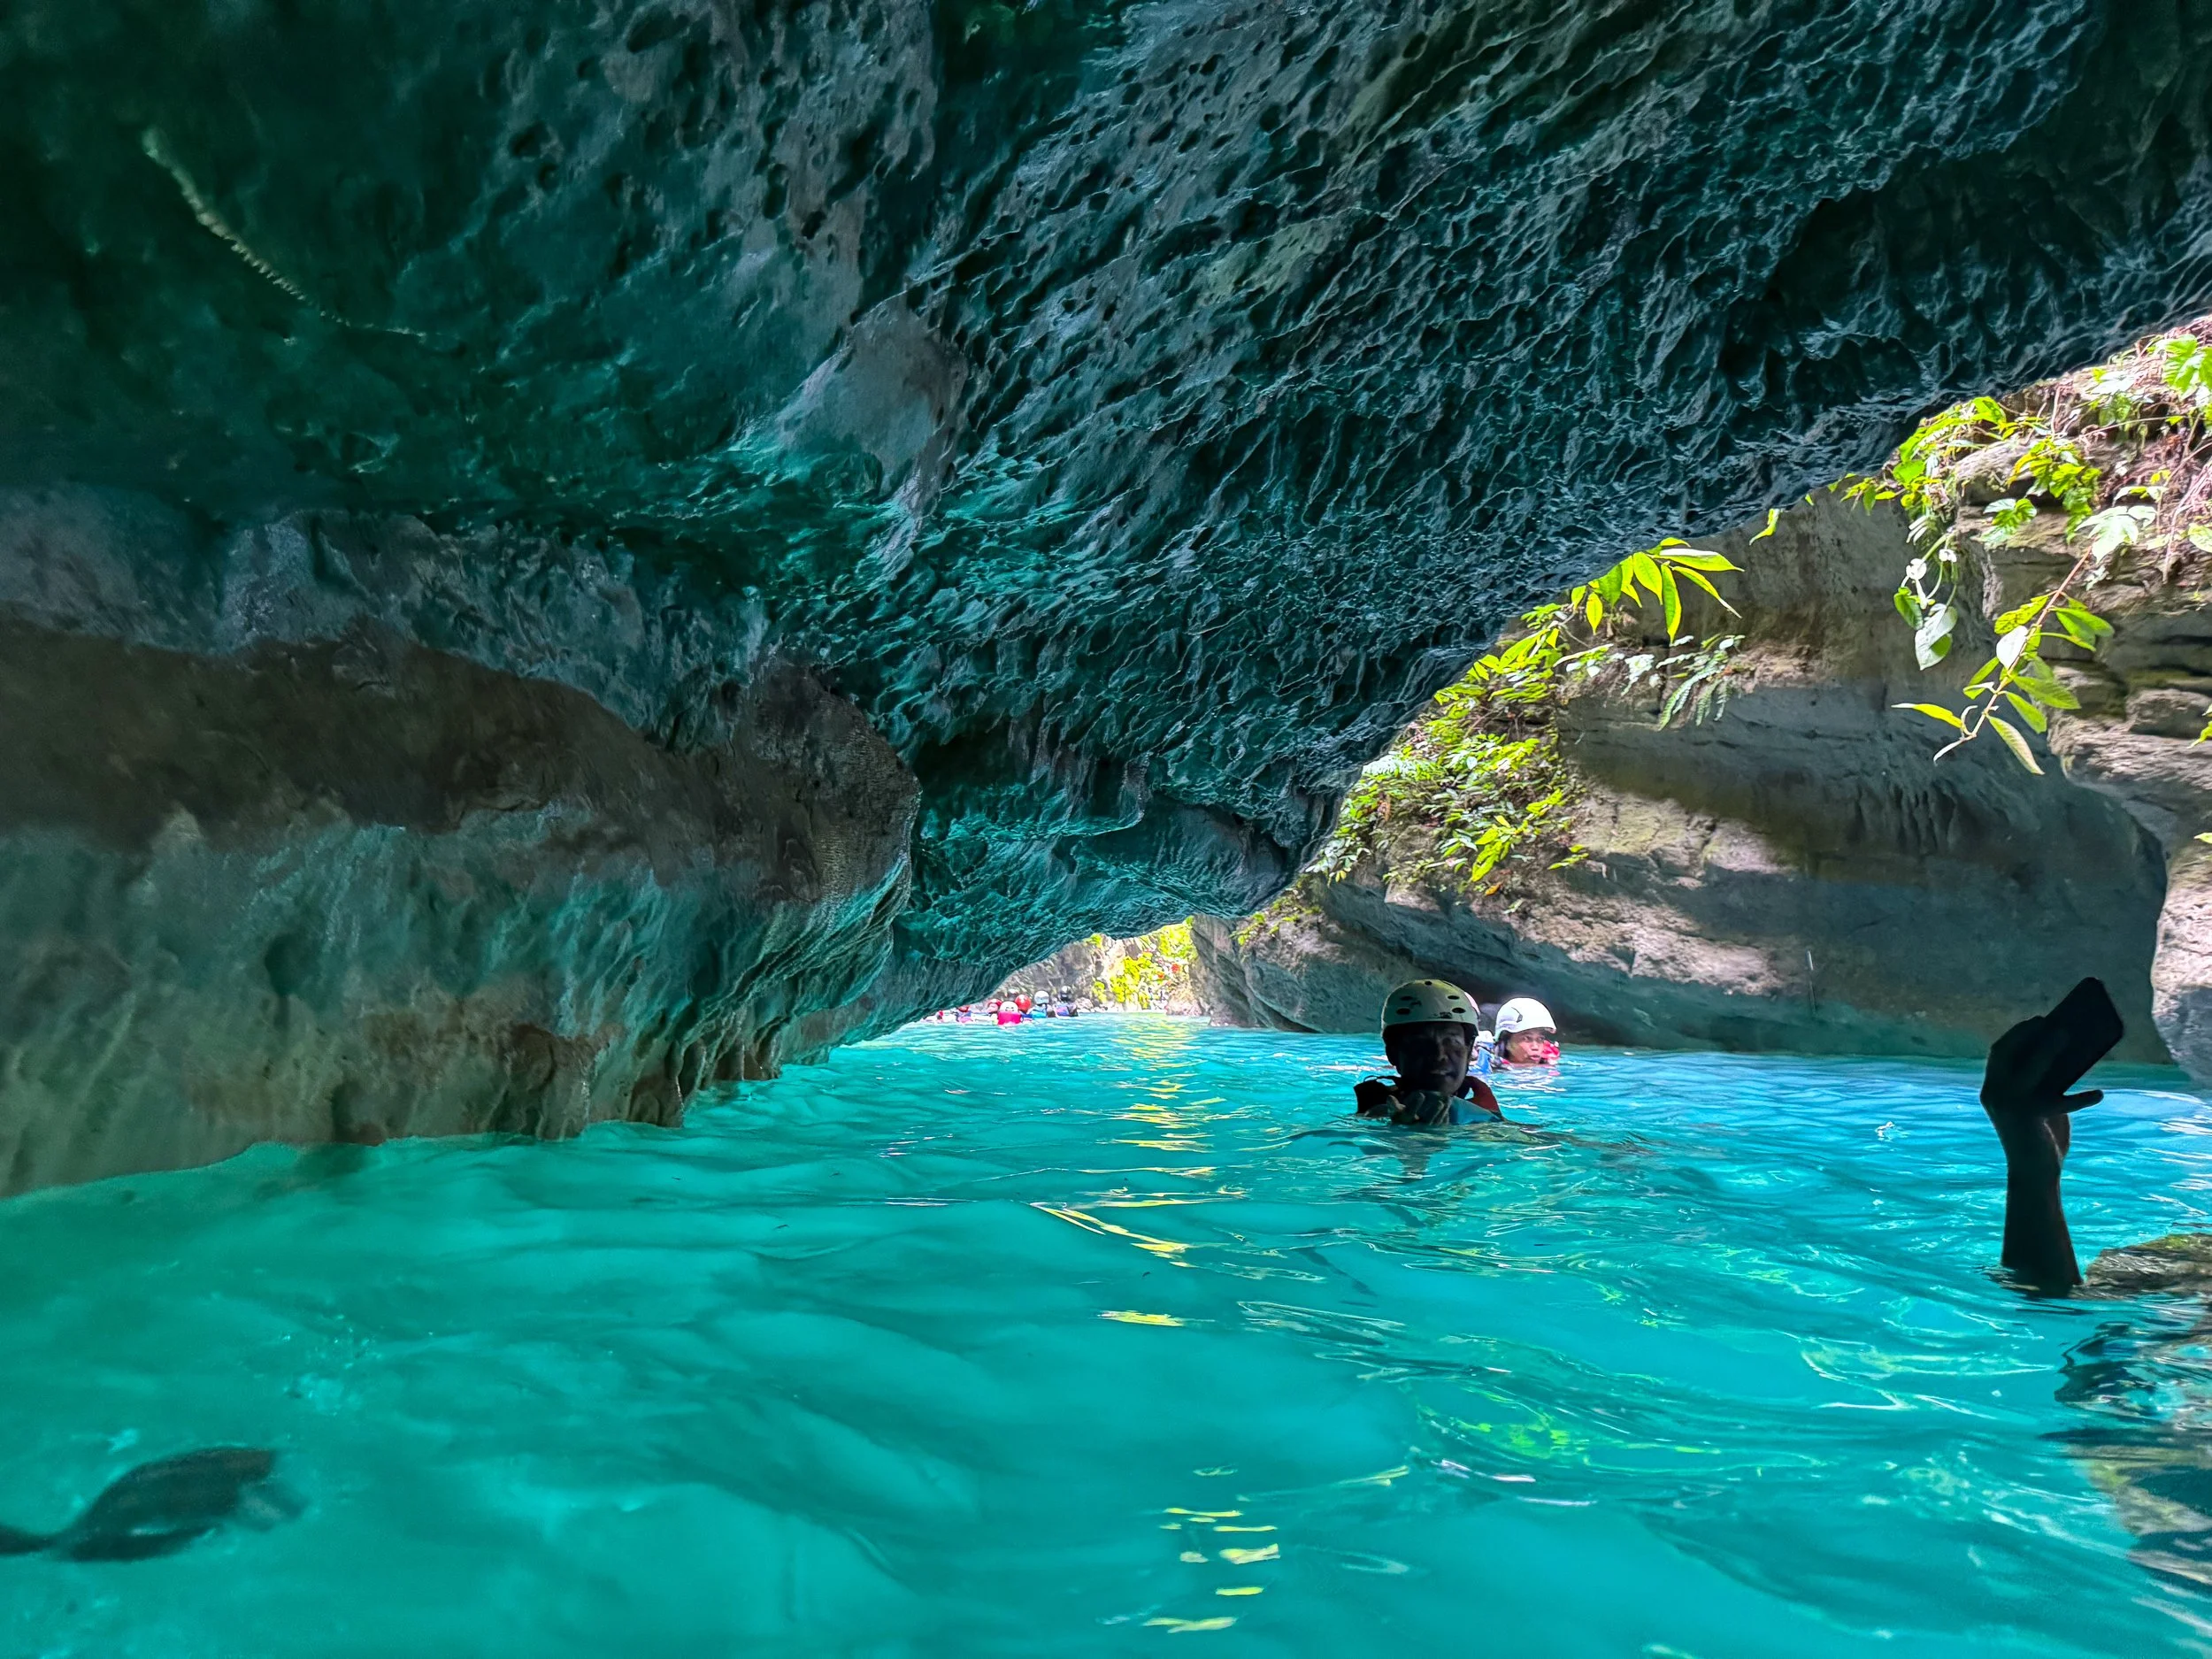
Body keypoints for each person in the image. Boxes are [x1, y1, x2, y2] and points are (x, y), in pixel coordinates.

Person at [1353, 979, 1504, 1126]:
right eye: (1420, 1044)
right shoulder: (1375, 1120)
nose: (1439, 1056)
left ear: (1469, 1051)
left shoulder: (1488, 1123)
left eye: (1452, 1042)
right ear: (1393, 1054)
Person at [1484, 997, 1561, 1071]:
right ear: (1506, 1042)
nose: (1535, 1047)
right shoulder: (1487, 1067)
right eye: (1526, 1038)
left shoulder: (1550, 1067)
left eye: (1540, 1039)